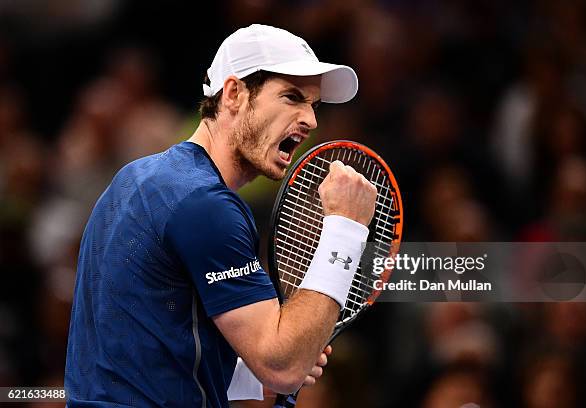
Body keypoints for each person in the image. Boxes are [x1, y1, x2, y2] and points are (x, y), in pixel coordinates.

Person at [64, 24, 377, 407]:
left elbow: (139, 344)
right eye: (292, 97)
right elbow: (283, 366)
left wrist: (249, 377)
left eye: (314, 105)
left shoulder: (136, 178)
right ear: (234, 94)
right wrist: (345, 226)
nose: (310, 120)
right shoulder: (205, 206)